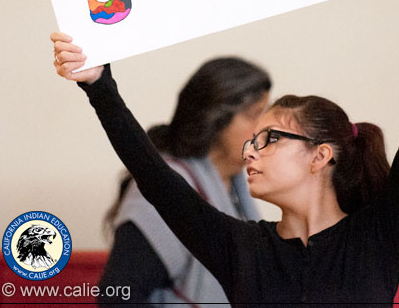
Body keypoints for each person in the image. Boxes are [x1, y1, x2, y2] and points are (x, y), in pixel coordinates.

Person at [52, 0, 399, 307]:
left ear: (320, 156)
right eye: (251, 139)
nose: (250, 151)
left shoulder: (377, 236)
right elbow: (153, 176)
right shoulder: (240, 248)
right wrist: (98, 85)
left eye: (269, 138)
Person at [64, 56, 270, 307]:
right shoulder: (166, 187)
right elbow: (117, 297)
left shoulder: (235, 184)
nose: (265, 129)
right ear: (217, 119)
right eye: (254, 115)